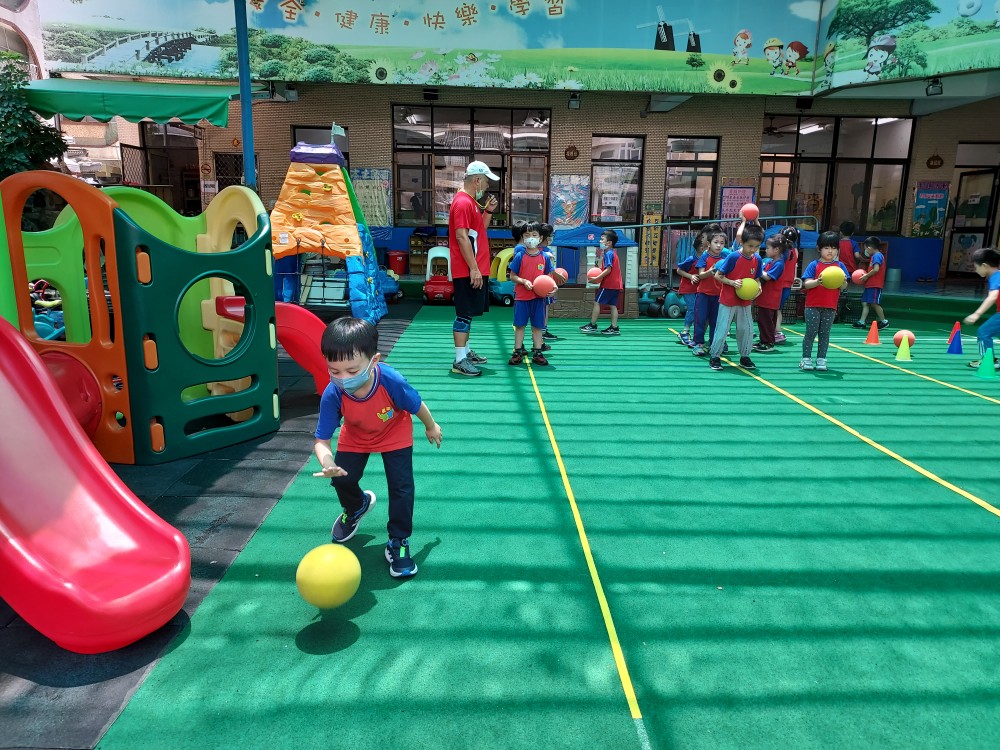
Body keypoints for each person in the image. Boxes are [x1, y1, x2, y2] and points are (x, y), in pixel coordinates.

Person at [312, 318, 442, 578]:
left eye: (352, 371)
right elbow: (321, 440)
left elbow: (416, 404)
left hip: (394, 432)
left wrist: (431, 426)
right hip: (356, 435)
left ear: (374, 361)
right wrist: (328, 463)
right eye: (334, 371)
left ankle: (398, 541)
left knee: (401, 486)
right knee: (342, 480)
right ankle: (357, 506)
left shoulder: (391, 380)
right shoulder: (333, 393)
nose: (343, 378)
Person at [449, 160, 500, 377]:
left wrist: (488, 212)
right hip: (467, 269)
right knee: (464, 314)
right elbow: (461, 237)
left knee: (468, 313)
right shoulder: (463, 203)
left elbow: (477, 232)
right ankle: (460, 359)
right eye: (486, 182)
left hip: (473, 267)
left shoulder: (470, 203)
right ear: (477, 180)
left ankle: (466, 353)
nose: (487, 186)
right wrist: (474, 268)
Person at [708, 223, 763, 371]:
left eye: (756, 246)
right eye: (750, 246)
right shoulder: (733, 257)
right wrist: (732, 282)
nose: (753, 249)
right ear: (742, 242)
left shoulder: (757, 259)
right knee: (723, 328)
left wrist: (759, 287)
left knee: (747, 329)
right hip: (728, 300)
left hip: (745, 300)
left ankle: (745, 356)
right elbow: (718, 275)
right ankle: (715, 356)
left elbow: (757, 278)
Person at [800, 231, 850, 371]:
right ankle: (806, 359)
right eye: (826, 248)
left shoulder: (840, 266)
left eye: (833, 248)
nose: (830, 251)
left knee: (824, 334)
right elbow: (806, 284)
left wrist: (843, 282)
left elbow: (843, 287)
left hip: (830, 306)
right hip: (812, 306)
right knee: (811, 333)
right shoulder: (814, 265)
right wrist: (818, 281)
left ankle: (821, 359)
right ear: (819, 248)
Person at [508, 221, 555, 365]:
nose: (531, 238)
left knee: (537, 326)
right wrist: (523, 281)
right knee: (520, 326)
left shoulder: (545, 257)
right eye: (527, 235)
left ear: (540, 238)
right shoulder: (520, 255)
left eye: (534, 235)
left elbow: (549, 276)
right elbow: (512, 276)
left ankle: (537, 352)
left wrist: (554, 287)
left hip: (539, 299)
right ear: (523, 237)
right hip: (522, 298)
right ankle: (517, 352)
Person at [690, 227, 729, 356]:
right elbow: (700, 275)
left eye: (722, 243)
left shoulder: (725, 257)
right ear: (709, 244)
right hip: (703, 294)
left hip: (719, 295)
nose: (719, 245)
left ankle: (715, 343)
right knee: (700, 319)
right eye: (716, 242)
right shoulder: (705, 257)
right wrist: (711, 271)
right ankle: (698, 344)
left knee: (716, 321)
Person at [963, 246, 1000, 371]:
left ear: (984, 266)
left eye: (976, 267)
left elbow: (992, 297)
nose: (975, 270)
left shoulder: (996, 277)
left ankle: (988, 360)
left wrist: (976, 314)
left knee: (983, 332)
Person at [580, 228, 623, 336]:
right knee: (613, 305)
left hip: (609, 284)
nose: (600, 241)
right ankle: (614, 327)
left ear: (609, 243)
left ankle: (592, 325)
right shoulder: (612, 253)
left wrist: (596, 278)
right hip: (616, 284)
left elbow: (608, 270)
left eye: (602, 239)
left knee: (596, 302)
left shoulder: (608, 254)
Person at [753, 235, 787, 353]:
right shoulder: (771, 262)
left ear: (776, 249)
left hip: (770, 299)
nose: (766, 250)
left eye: (768, 248)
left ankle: (768, 343)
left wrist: (758, 268)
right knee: (762, 321)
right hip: (765, 298)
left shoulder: (779, 264)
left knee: (767, 322)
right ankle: (763, 340)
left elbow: (767, 277)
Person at [853, 236, 889, 330]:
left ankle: (884, 321)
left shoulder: (877, 256)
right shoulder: (874, 256)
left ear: (869, 248)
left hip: (875, 285)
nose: (865, 251)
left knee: (874, 303)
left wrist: (866, 276)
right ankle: (862, 322)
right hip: (870, 285)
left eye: (865, 249)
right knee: (865, 302)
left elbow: (876, 269)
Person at [674, 230, 703, 347]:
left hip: (699, 289)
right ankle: (685, 331)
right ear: (702, 248)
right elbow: (679, 270)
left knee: (698, 310)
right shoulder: (691, 259)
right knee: (692, 308)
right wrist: (690, 276)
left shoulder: (707, 259)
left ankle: (693, 332)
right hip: (688, 288)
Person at [775, 226, 799, 344]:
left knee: (775, 309)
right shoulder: (795, 251)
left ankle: (778, 332)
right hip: (787, 285)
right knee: (778, 309)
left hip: (779, 284)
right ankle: (776, 331)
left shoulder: (783, 252)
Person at [540, 222, 559, 342]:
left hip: (546, 283)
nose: (552, 237)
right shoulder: (544, 252)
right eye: (551, 235)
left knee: (544, 307)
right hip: (544, 285)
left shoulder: (543, 250)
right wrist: (558, 276)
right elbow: (551, 269)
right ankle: (543, 330)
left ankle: (542, 330)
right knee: (544, 308)